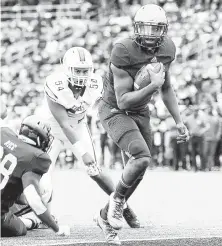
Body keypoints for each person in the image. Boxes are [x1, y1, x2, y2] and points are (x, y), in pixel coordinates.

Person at [14, 47, 138, 232]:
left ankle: (122, 205)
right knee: (44, 184)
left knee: (95, 169)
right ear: (66, 69)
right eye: (77, 71)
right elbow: (64, 124)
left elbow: (111, 105)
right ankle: (39, 215)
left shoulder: (96, 83)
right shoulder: (55, 84)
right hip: (50, 132)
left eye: (85, 70)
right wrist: (83, 152)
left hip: (78, 127)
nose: (81, 75)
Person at [95, 4, 190, 245]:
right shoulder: (122, 50)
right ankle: (117, 204)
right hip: (115, 109)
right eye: (145, 28)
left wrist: (178, 122)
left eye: (155, 28)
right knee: (141, 156)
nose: (149, 34)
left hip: (140, 110)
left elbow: (167, 87)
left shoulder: (168, 48)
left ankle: (106, 212)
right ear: (136, 28)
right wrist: (152, 86)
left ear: (164, 30)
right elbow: (123, 99)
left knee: (139, 169)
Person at [1, 113, 70, 237]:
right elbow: (34, 199)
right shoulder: (36, 157)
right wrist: (57, 228)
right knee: (20, 228)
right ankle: (34, 221)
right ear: (39, 139)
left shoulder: (4, 132)